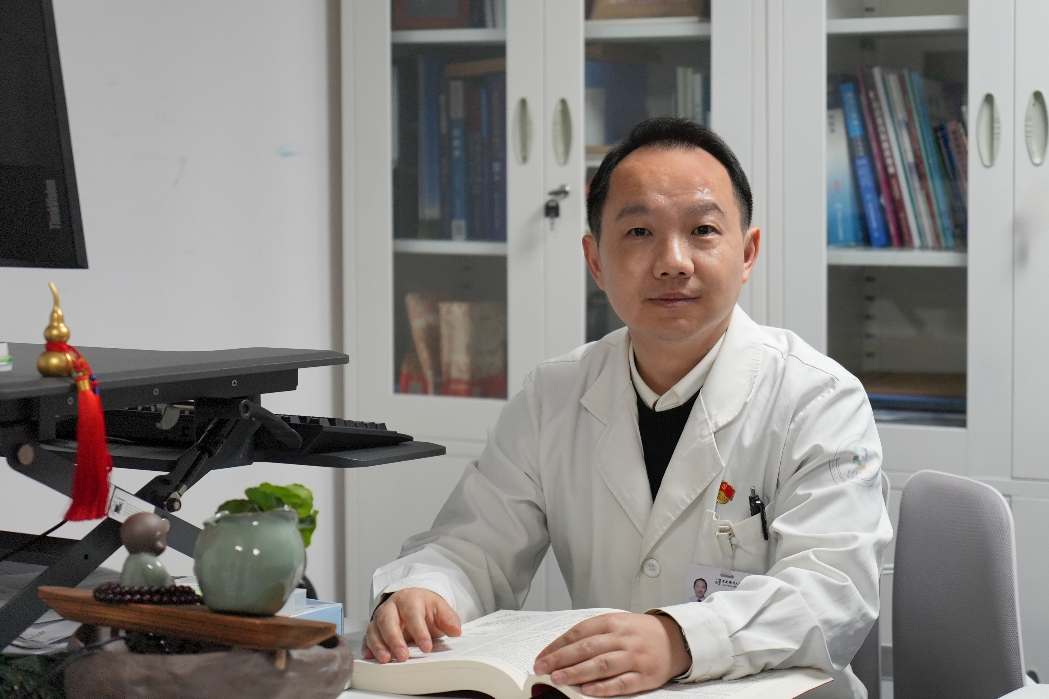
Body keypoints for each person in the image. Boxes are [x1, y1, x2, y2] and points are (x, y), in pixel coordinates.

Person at [365, 117, 891, 699]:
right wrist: (424, 592)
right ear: (595, 260)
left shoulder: (819, 399)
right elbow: (472, 548)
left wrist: (679, 639)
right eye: (639, 231)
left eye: (703, 230)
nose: (673, 261)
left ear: (747, 253)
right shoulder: (552, 396)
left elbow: (833, 592)